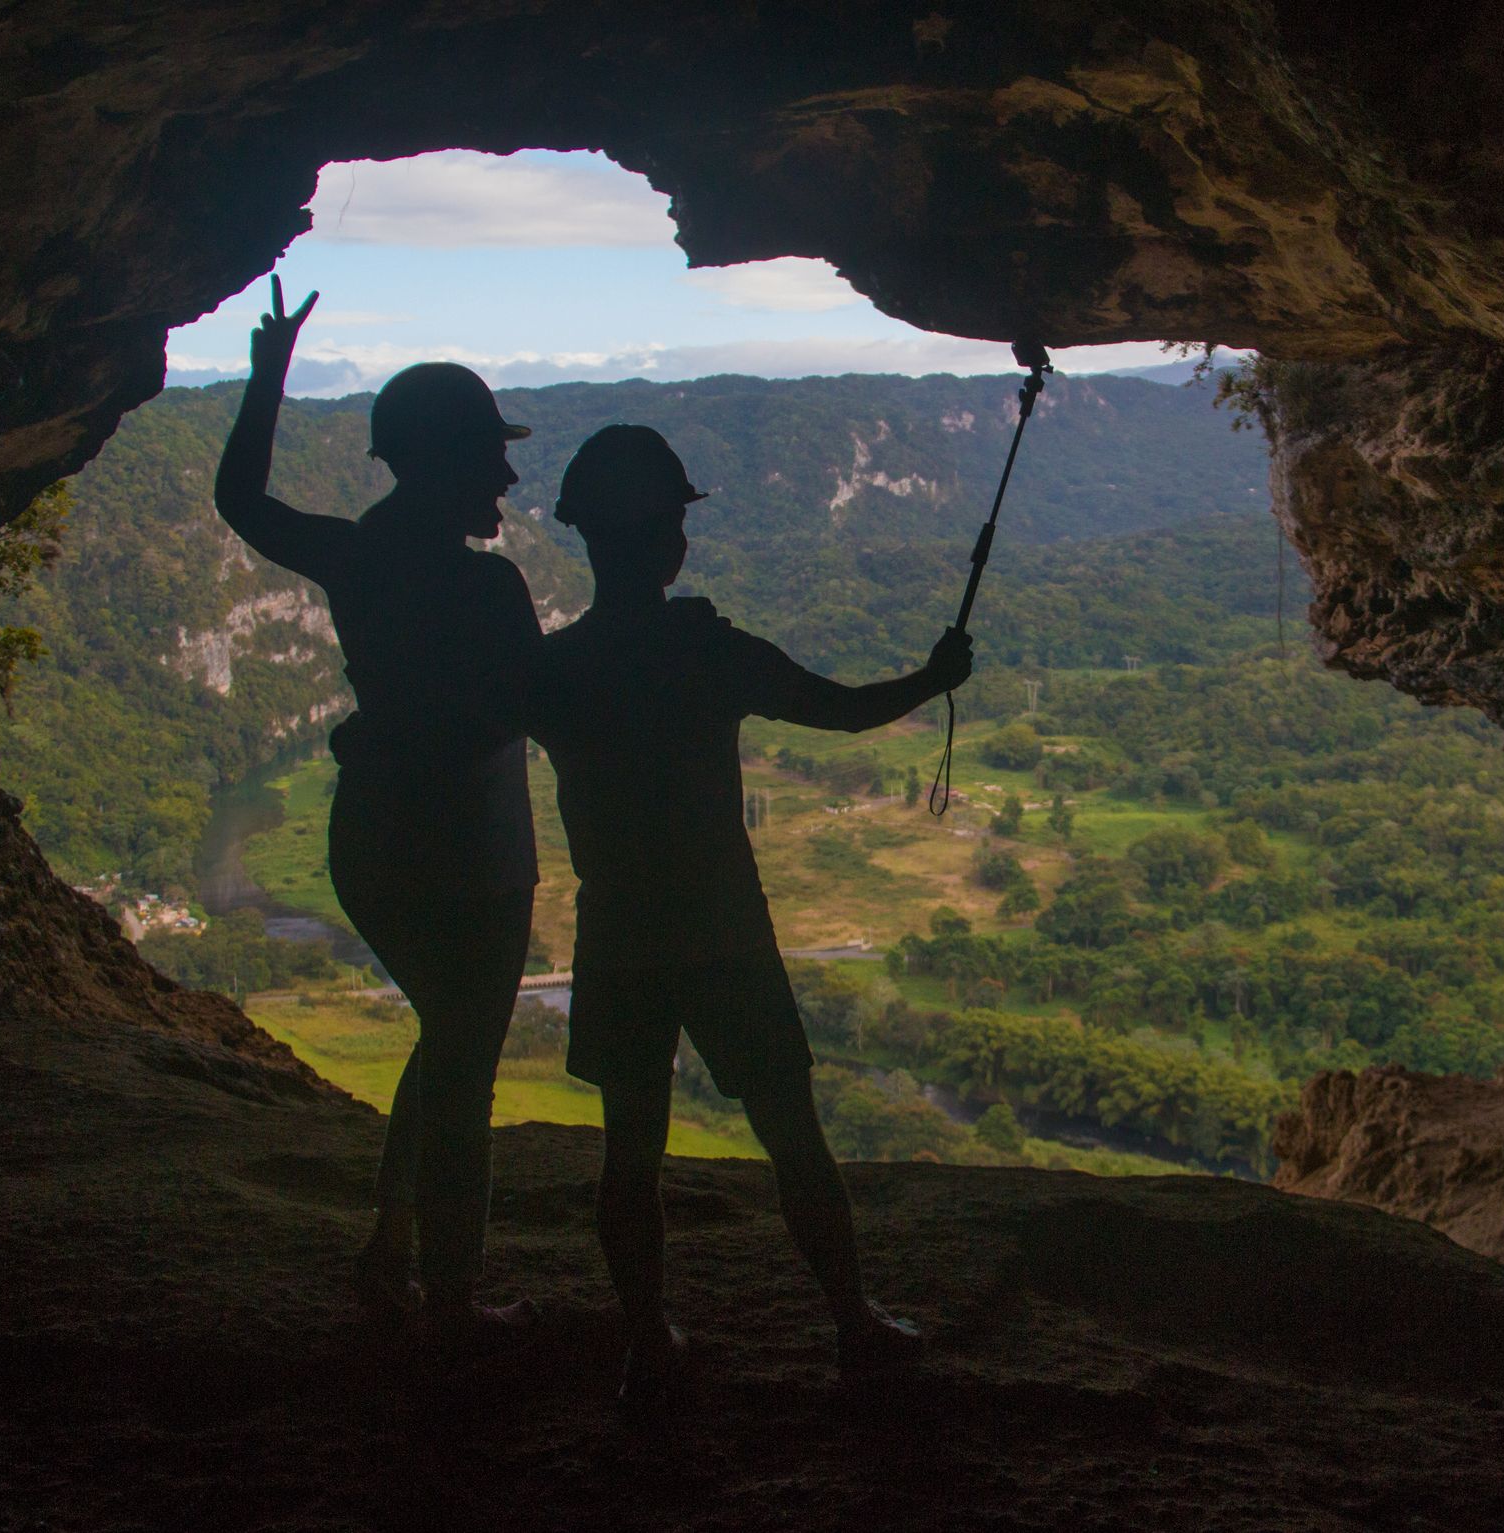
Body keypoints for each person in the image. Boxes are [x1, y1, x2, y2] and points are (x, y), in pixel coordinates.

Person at [528, 424, 971, 1410]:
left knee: (628, 1151)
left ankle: (649, 1345)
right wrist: (933, 679)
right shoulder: (709, 653)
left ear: (589, 539)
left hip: (618, 938)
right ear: (668, 541)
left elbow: (456, 718)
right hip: (723, 930)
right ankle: (852, 1321)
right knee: (792, 1133)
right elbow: (850, 711)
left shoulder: (555, 670)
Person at [214, 279, 542, 1338]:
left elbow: (242, 504)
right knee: (464, 1068)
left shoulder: (356, 557)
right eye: (489, 453)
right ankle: (448, 1294)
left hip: (372, 838)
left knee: (446, 1042)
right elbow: (528, 711)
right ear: (444, 461)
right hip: (475, 851)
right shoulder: (490, 591)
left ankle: (393, 1249)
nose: (506, 470)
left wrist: (267, 377)